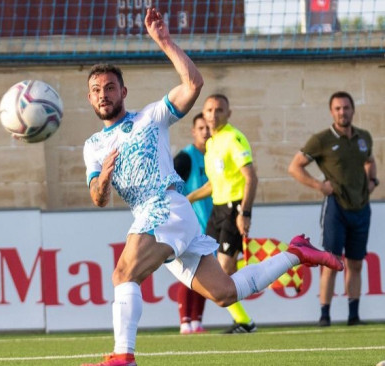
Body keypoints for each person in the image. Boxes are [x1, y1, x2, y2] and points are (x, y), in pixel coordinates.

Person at [80, 9, 343, 366]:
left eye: (110, 87)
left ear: (123, 91)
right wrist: (105, 179)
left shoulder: (150, 117)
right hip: (154, 215)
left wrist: (165, 41)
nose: (103, 94)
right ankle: (296, 253)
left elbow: (193, 86)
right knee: (224, 293)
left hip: (165, 207)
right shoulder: (93, 145)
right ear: (90, 98)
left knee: (123, 273)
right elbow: (97, 197)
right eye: (96, 90)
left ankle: (124, 356)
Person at [288, 91, 378, 327]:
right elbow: (294, 167)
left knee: (356, 263)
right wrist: (319, 185)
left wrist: (372, 182)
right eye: (338, 108)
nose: (342, 112)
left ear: (352, 110)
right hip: (336, 207)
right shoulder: (321, 140)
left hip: (361, 208)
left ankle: (354, 316)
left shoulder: (363, 137)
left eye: (346, 108)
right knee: (332, 260)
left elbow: (370, 160)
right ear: (331, 112)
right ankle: (325, 315)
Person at [186, 94, 259, 334]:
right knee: (211, 269)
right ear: (204, 114)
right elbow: (212, 185)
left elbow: (251, 177)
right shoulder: (211, 143)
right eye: (209, 110)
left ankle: (245, 321)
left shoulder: (233, 138)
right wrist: (186, 199)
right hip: (217, 209)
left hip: (234, 208)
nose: (213, 114)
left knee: (226, 269)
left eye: (219, 110)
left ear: (228, 113)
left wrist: (245, 212)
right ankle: (244, 321)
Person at [173, 113, 212, 334]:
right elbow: (172, 189)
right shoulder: (185, 158)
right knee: (189, 274)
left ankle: (197, 321)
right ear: (193, 132)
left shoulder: (215, 156)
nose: (205, 132)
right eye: (201, 128)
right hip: (190, 226)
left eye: (208, 128)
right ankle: (184, 321)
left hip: (211, 224)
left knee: (207, 275)